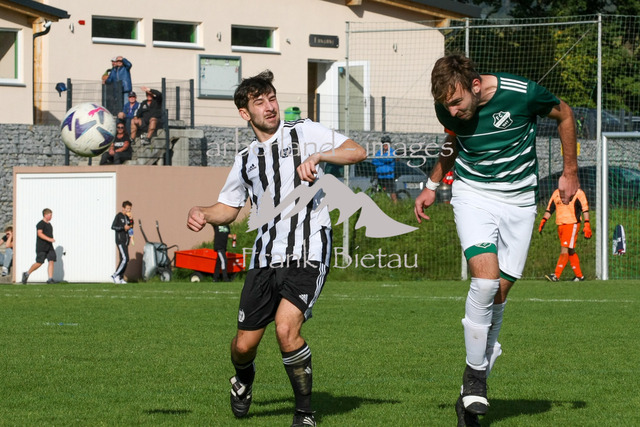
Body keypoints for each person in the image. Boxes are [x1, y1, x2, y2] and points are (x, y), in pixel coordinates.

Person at [187, 70, 366, 427]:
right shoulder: (245, 158)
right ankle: (244, 379)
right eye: (260, 102)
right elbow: (229, 209)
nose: (270, 107)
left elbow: (357, 151)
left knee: (286, 329)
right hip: (265, 257)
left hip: (309, 248)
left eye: (272, 98)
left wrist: (320, 157)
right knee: (243, 346)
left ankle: (304, 413)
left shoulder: (303, 131)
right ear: (245, 113)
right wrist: (204, 213)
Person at [413, 54, 579, 426]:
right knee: (485, 283)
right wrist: (431, 184)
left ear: (475, 86)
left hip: (520, 203)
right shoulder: (447, 107)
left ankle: (469, 393)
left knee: (498, 295)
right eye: (446, 105)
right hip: (473, 195)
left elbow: (566, 114)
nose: (452, 111)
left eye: (457, 102)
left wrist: (570, 171)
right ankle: (476, 375)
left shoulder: (522, 93)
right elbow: (453, 141)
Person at [539, 188, 591, 282]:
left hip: (572, 224)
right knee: (570, 250)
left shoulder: (578, 193)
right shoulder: (556, 193)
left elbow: (585, 209)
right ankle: (579, 276)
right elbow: (550, 209)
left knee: (564, 249)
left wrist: (587, 223)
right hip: (560, 225)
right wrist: (543, 220)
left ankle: (556, 275)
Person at [22, 209, 57, 284]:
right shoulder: (40, 224)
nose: (51, 217)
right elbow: (39, 234)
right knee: (39, 262)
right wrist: (49, 239)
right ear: (45, 215)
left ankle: (50, 279)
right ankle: (26, 274)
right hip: (41, 247)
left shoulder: (49, 225)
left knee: (51, 260)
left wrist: (50, 241)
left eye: (51, 215)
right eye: (50, 215)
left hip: (49, 247)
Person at [111, 201, 133, 284]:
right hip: (120, 241)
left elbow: (131, 227)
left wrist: (131, 220)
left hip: (126, 241)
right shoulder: (118, 216)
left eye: (130, 209)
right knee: (125, 258)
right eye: (127, 208)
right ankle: (115, 275)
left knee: (124, 260)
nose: (129, 210)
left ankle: (120, 277)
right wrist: (123, 227)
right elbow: (113, 226)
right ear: (123, 208)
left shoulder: (127, 217)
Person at [371, 135, 398, 202]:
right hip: (380, 176)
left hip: (389, 176)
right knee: (381, 193)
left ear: (390, 144)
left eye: (387, 143)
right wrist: (384, 161)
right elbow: (374, 161)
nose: (385, 145)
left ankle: (396, 206)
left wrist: (380, 159)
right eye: (383, 143)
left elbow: (388, 159)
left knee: (392, 193)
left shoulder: (392, 152)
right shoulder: (379, 152)